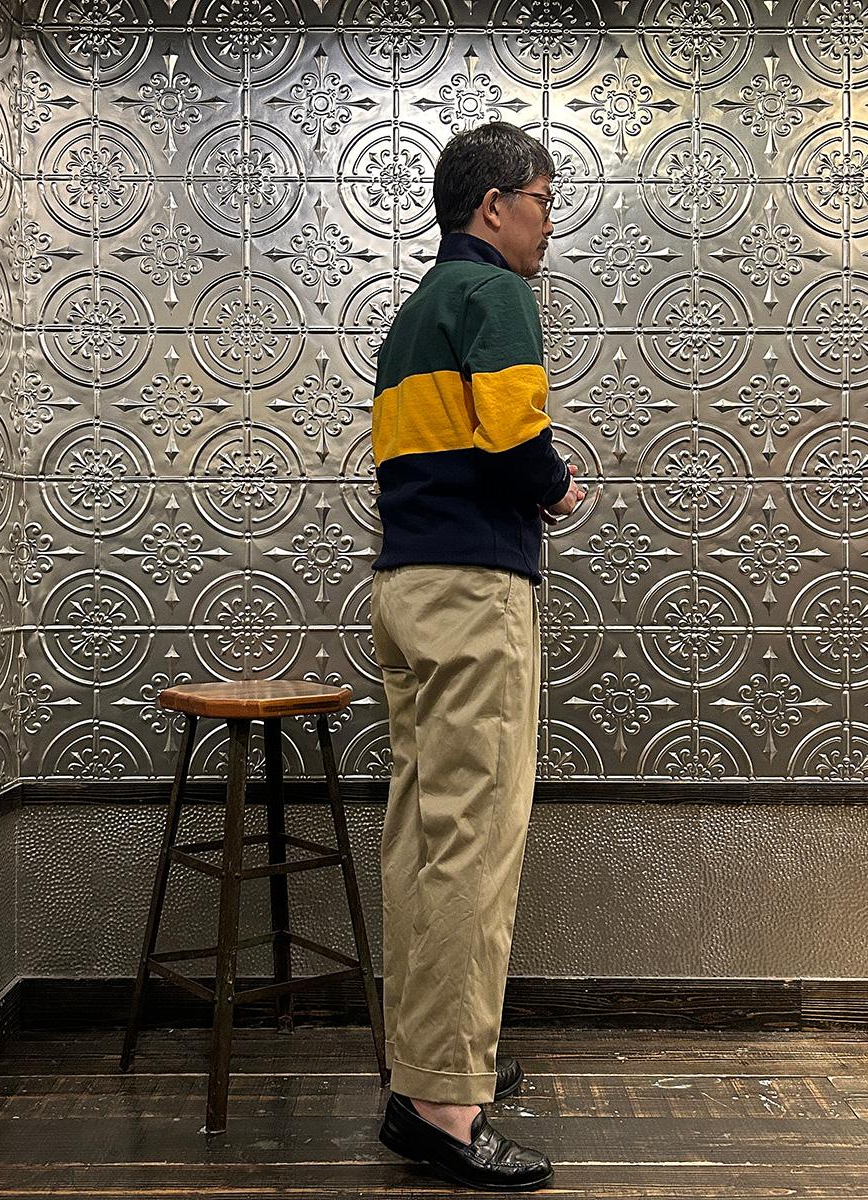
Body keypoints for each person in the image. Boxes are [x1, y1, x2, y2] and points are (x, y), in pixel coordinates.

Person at [370, 121, 586, 1192]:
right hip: (473, 592)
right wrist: (558, 487)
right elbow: (511, 443)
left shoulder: (414, 312)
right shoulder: (495, 294)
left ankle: (421, 1070)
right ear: (494, 206)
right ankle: (449, 1108)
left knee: (420, 837)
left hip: (406, 590)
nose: (548, 225)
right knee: (474, 845)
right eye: (542, 202)